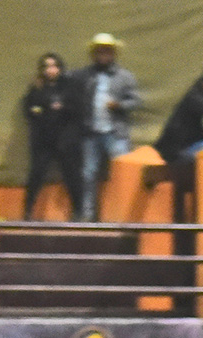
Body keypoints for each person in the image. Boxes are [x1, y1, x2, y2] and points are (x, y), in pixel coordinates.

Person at [70, 33, 141, 222]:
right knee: (88, 174)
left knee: (122, 173)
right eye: (99, 51)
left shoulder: (125, 77)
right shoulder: (84, 76)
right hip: (90, 133)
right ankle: (87, 215)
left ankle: (123, 215)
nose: (103, 55)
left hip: (116, 132)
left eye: (107, 51)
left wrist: (119, 105)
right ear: (93, 54)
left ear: (113, 54)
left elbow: (135, 101)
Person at [22, 53, 82, 220]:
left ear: (60, 68)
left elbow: (78, 110)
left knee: (72, 176)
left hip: (65, 140)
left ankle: (78, 211)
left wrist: (62, 108)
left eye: (54, 66)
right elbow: (30, 110)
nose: (51, 70)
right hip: (43, 140)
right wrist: (42, 112)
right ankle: (27, 211)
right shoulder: (37, 88)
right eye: (47, 66)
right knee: (36, 174)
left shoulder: (69, 86)